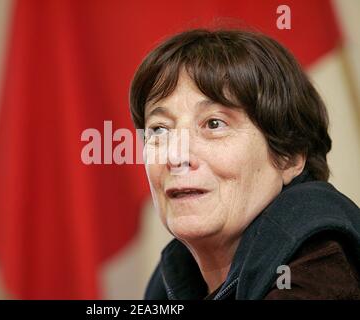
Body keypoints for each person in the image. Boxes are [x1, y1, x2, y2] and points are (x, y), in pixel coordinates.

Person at [129, 29, 360, 300]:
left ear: (289, 155)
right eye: (159, 130)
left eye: (214, 124)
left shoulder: (320, 268)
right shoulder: (172, 277)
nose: (175, 157)